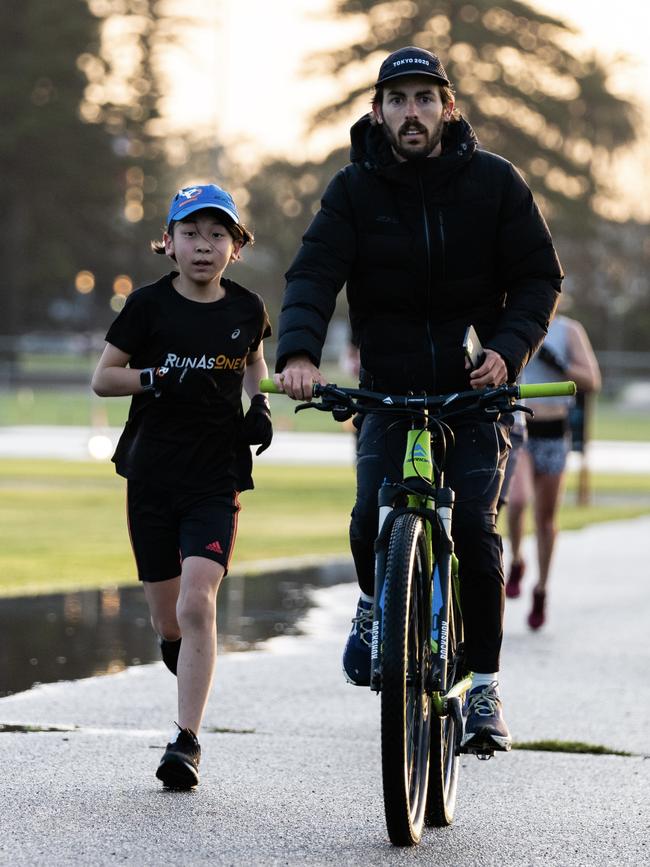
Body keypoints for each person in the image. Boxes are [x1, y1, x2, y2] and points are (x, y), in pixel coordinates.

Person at [273, 46, 563, 753]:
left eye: (424, 98)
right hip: (388, 387)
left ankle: (486, 688)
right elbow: (313, 272)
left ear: (448, 107)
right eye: (397, 99)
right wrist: (300, 353)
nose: (412, 112)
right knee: (373, 511)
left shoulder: (495, 183)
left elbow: (537, 276)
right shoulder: (353, 190)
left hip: (474, 388)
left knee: (473, 531)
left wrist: (508, 349)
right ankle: (376, 608)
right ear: (378, 111)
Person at [91, 184, 272, 789]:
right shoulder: (146, 307)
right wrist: (152, 377)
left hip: (216, 477)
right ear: (168, 242)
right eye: (191, 234)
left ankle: (185, 742)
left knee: (199, 602)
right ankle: (179, 648)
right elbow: (103, 379)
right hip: (151, 475)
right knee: (170, 620)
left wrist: (262, 405)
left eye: (218, 235)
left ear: (235, 247)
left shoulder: (247, 309)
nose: (204, 245)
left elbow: (253, 365)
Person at [505, 314, 601, 628]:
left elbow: (592, 380)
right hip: (521, 427)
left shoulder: (568, 330)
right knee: (517, 500)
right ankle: (517, 560)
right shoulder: (513, 322)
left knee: (545, 521)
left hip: (554, 433)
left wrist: (559, 363)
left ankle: (541, 589)